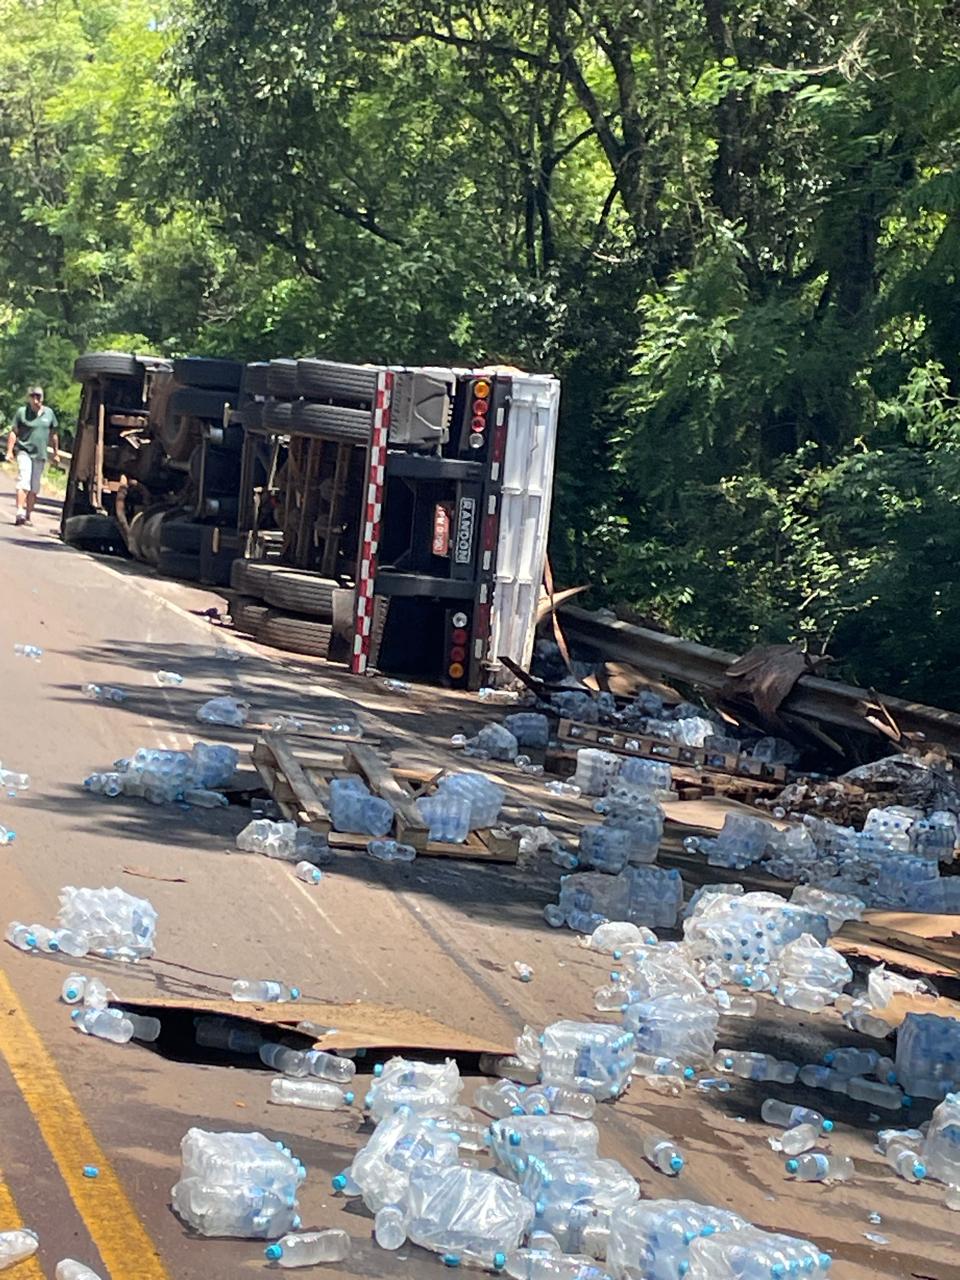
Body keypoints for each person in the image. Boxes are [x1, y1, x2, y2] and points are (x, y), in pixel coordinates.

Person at [5, 386, 59, 526]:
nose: (36, 400)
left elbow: (53, 435)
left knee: (34, 486)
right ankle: (20, 511)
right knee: (24, 480)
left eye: (38, 397)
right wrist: (10, 451)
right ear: (29, 398)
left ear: (42, 398)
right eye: (33, 397)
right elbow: (13, 432)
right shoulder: (22, 413)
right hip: (25, 451)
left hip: (40, 454)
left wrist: (56, 453)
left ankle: (28, 515)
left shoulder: (49, 414)